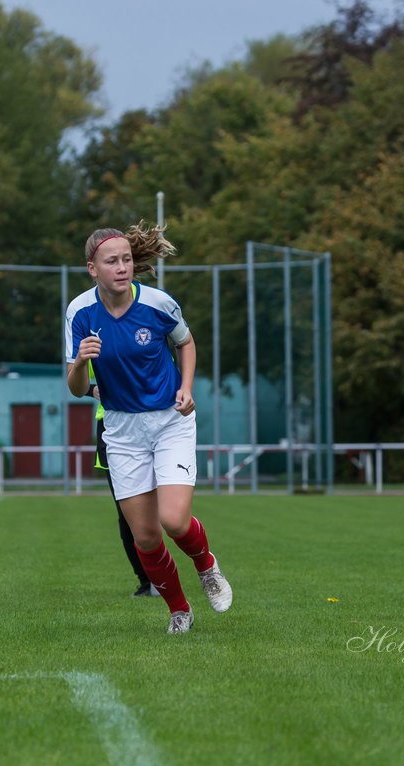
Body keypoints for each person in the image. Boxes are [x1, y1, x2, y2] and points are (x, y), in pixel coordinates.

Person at [65, 222, 232, 634]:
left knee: (174, 521)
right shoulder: (79, 313)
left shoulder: (158, 303)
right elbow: (78, 389)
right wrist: (80, 361)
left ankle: (207, 565)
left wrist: (187, 388)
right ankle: (179, 610)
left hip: (169, 422)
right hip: (121, 431)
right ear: (92, 268)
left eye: (126, 259)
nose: (122, 267)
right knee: (145, 538)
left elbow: (186, 342)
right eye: (111, 261)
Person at [89, 364, 157, 597]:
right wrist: (92, 389)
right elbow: (74, 380)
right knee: (128, 515)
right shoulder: (86, 331)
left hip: (154, 422)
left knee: (168, 512)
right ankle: (148, 581)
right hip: (112, 430)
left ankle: (201, 565)